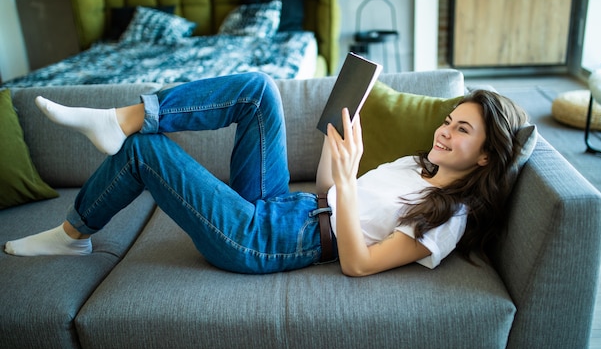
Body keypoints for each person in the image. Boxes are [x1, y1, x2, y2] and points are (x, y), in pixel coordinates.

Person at [4, 72, 528, 276]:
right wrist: (334, 147)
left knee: (148, 154)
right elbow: (327, 190)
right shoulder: (416, 165)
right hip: (288, 207)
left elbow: (359, 263)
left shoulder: (447, 216)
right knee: (259, 91)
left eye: (461, 130)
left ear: (485, 156)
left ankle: (71, 235)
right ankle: (123, 117)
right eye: (448, 120)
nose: (444, 132)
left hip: (267, 241)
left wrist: (346, 180)